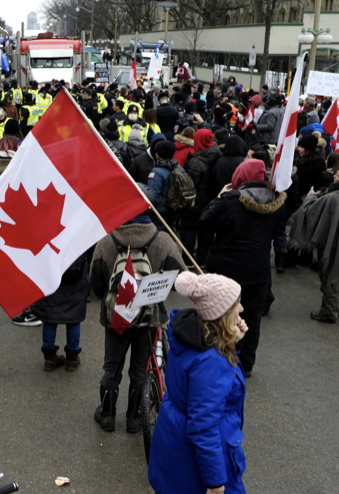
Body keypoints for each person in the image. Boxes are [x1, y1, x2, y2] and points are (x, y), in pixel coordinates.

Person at [89, 198, 185, 432]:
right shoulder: (163, 240)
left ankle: (108, 415)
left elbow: (96, 283)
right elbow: (180, 279)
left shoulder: (107, 240)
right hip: (149, 317)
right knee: (140, 369)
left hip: (116, 317)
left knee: (111, 368)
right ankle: (134, 419)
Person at [148, 270, 247, 494]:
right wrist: (215, 483)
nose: (241, 309)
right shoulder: (212, 361)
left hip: (174, 441)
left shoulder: (192, 335)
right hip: (198, 461)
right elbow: (203, 425)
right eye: (236, 305)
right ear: (220, 315)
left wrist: (232, 342)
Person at [200, 159, 286, 377]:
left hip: (228, 269)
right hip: (258, 270)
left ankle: (222, 356)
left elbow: (205, 220)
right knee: (252, 318)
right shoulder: (276, 203)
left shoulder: (230, 201)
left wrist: (218, 197)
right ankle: (246, 364)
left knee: (222, 315)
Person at [287, 166, 339, 323]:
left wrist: (310, 197)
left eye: (337, 176)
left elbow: (310, 212)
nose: (333, 177)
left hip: (333, 245)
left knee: (331, 273)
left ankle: (328, 312)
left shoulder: (334, 198)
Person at [31, 254, 88, 371]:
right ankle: (72, 358)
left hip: (52, 274)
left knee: (49, 318)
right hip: (76, 273)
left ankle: (49, 358)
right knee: (74, 318)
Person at [182, 128, 222, 267]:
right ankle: (203, 259)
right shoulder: (218, 155)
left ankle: (187, 259)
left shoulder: (195, 161)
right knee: (206, 232)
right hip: (211, 201)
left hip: (195, 201)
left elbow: (190, 185)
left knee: (189, 229)